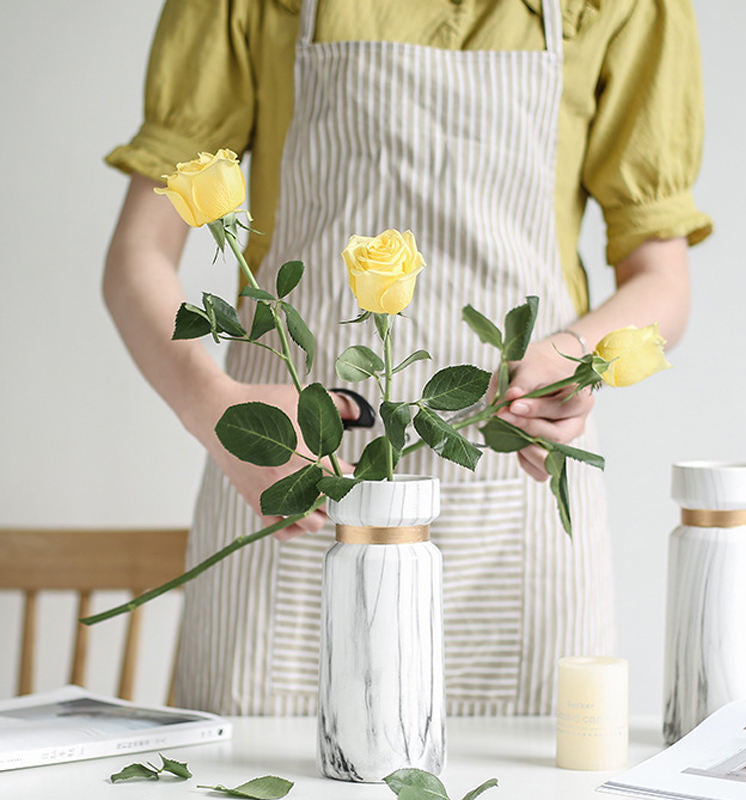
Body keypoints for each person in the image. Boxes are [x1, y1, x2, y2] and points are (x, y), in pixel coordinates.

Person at [103, 0, 712, 716]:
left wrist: (571, 358)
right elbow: (137, 255)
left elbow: (661, 280)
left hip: (508, 508)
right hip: (293, 486)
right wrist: (213, 406)